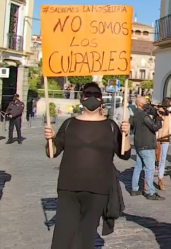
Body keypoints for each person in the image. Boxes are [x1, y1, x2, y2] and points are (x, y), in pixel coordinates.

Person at [43, 82, 131, 249]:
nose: (92, 97)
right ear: (81, 98)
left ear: (101, 100)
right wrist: (49, 138)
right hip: (68, 188)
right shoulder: (69, 124)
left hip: (98, 190)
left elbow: (125, 154)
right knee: (62, 236)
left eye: (96, 94)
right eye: (87, 94)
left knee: (86, 236)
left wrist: (125, 134)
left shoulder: (111, 126)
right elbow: (52, 152)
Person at [130, 96, 165, 200]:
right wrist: (158, 118)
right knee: (150, 169)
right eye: (146, 102)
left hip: (139, 144)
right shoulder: (143, 115)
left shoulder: (135, 114)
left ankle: (134, 189)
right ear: (140, 104)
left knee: (138, 167)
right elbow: (154, 127)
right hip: (147, 145)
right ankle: (150, 192)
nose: (148, 103)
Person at [156, 98, 171, 190]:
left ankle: (160, 179)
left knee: (162, 159)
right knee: (154, 159)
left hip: (166, 139)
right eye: (170, 105)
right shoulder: (158, 113)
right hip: (156, 139)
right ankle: (146, 179)